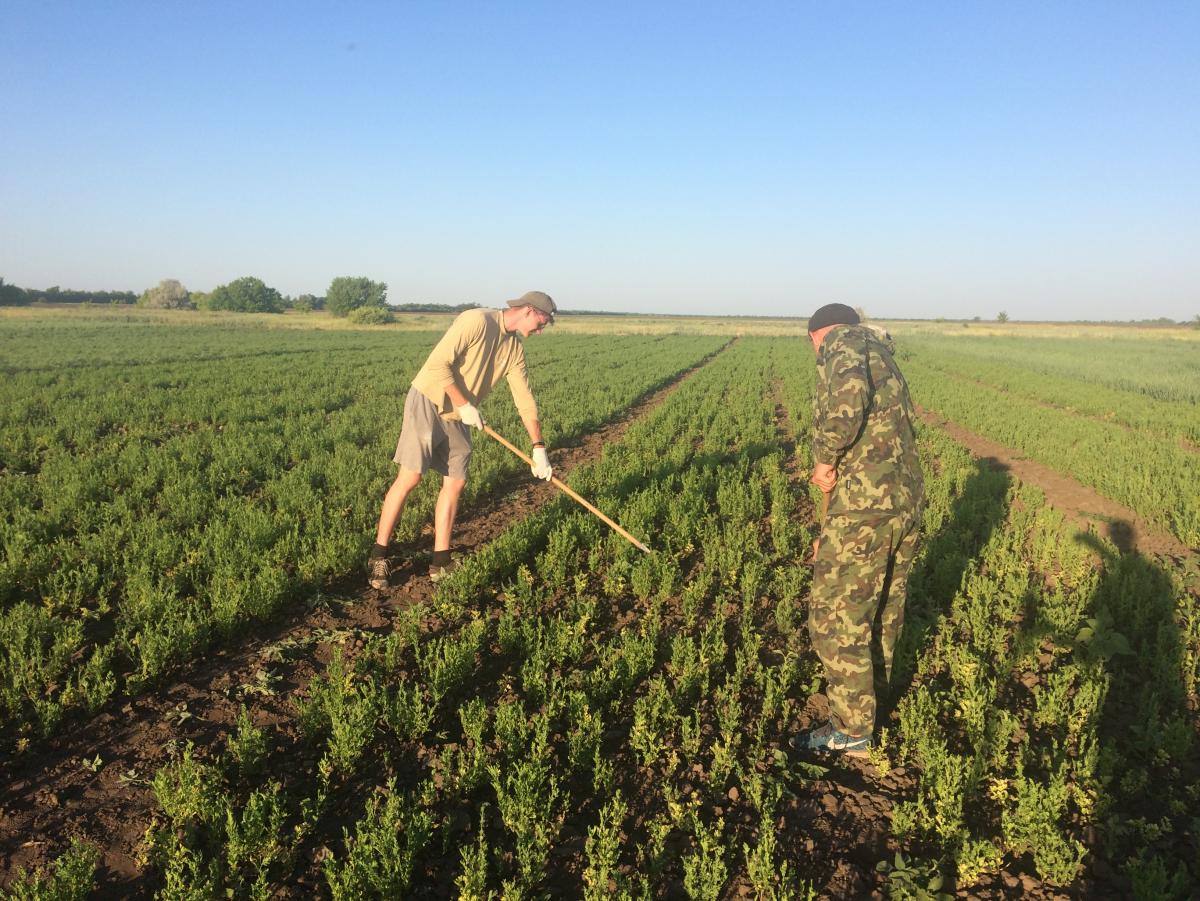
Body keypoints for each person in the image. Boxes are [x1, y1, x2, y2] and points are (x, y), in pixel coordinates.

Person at [792, 303, 924, 757]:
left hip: (866, 506)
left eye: (813, 342)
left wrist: (825, 460)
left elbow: (848, 403)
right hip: (902, 501)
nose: (816, 351)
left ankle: (850, 730)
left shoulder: (842, 342)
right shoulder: (882, 353)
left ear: (818, 333)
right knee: (883, 610)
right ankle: (873, 703)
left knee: (835, 618)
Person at [367, 291, 557, 589]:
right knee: (411, 477)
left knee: (455, 481)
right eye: (542, 322)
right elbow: (437, 364)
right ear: (530, 311)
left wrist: (538, 448)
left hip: (458, 415)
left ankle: (440, 561)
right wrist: (465, 404)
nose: (541, 329)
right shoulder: (476, 320)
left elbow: (525, 400)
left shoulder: (515, 350)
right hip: (429, 400)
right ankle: (379, 555)